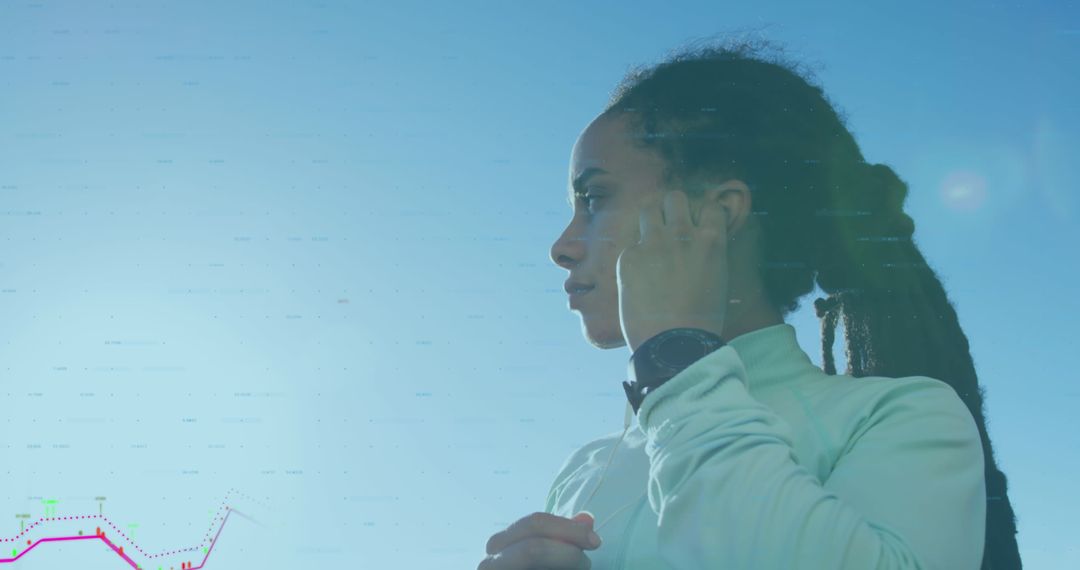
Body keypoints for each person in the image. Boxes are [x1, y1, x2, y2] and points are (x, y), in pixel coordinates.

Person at [477, 36, 1021, 569]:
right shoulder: (585, 468)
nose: (561, 247)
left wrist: (677, 359)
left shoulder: (897, 416)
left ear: (720, 212)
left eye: (594, 199)